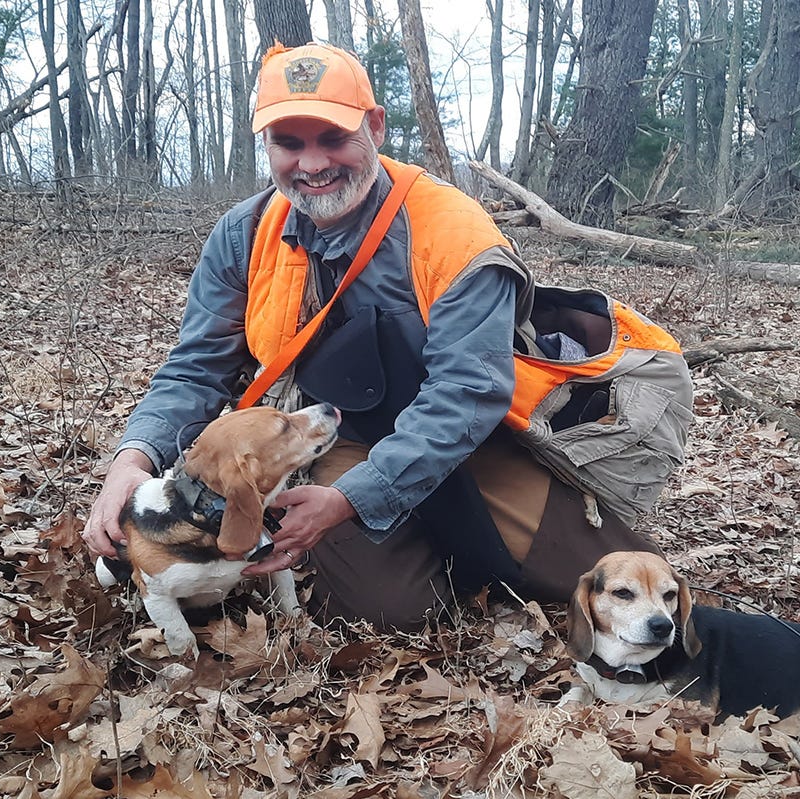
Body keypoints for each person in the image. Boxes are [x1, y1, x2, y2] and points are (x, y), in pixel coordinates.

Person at [83, 41, 661, 629]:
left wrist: (351, 500)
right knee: (384, 614)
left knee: (612, 588)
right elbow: (196, 368)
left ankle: (465, 528)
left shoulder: (454, 234)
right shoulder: (244, 233)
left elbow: (469, 393)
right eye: (290, 143)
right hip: (338, 434)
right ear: (268, 147)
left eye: (332, 138)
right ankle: (413, 544)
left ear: (375, 127)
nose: (311, 164)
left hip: (478, 440)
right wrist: (133, 460)